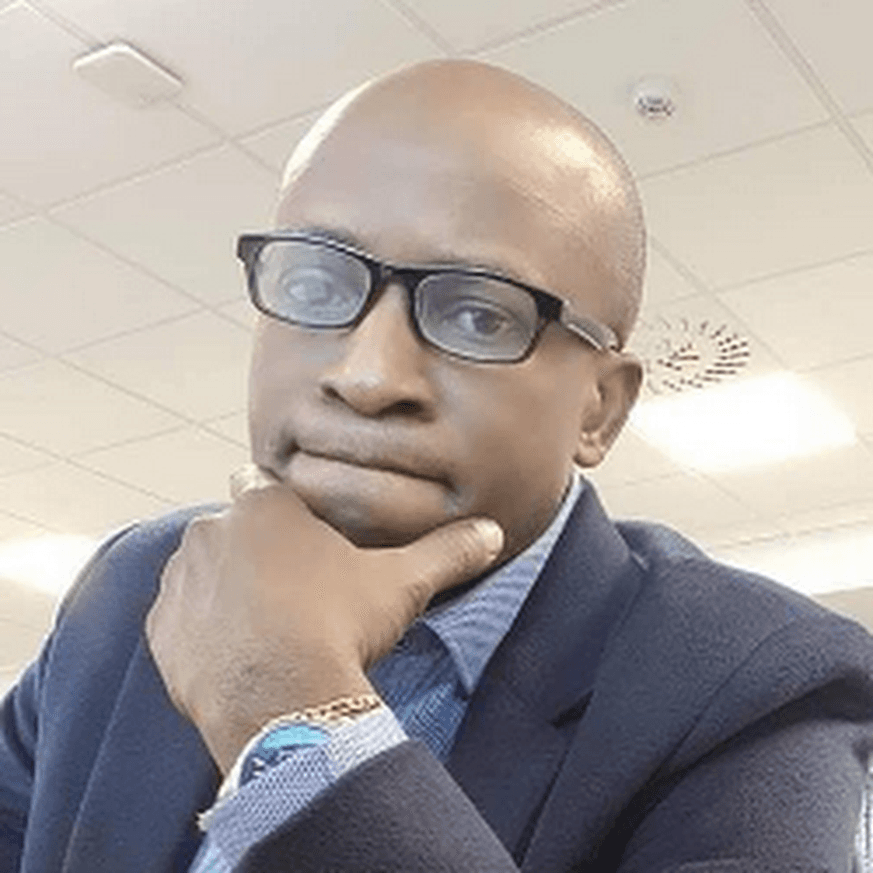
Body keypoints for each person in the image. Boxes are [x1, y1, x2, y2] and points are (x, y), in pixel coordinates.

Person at [2, 59, 872, 873]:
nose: (368, 374)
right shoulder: (132, 584)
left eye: (481, 316)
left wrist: (295, 720)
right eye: (314, 285)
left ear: (598, 407)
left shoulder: (757, 684)